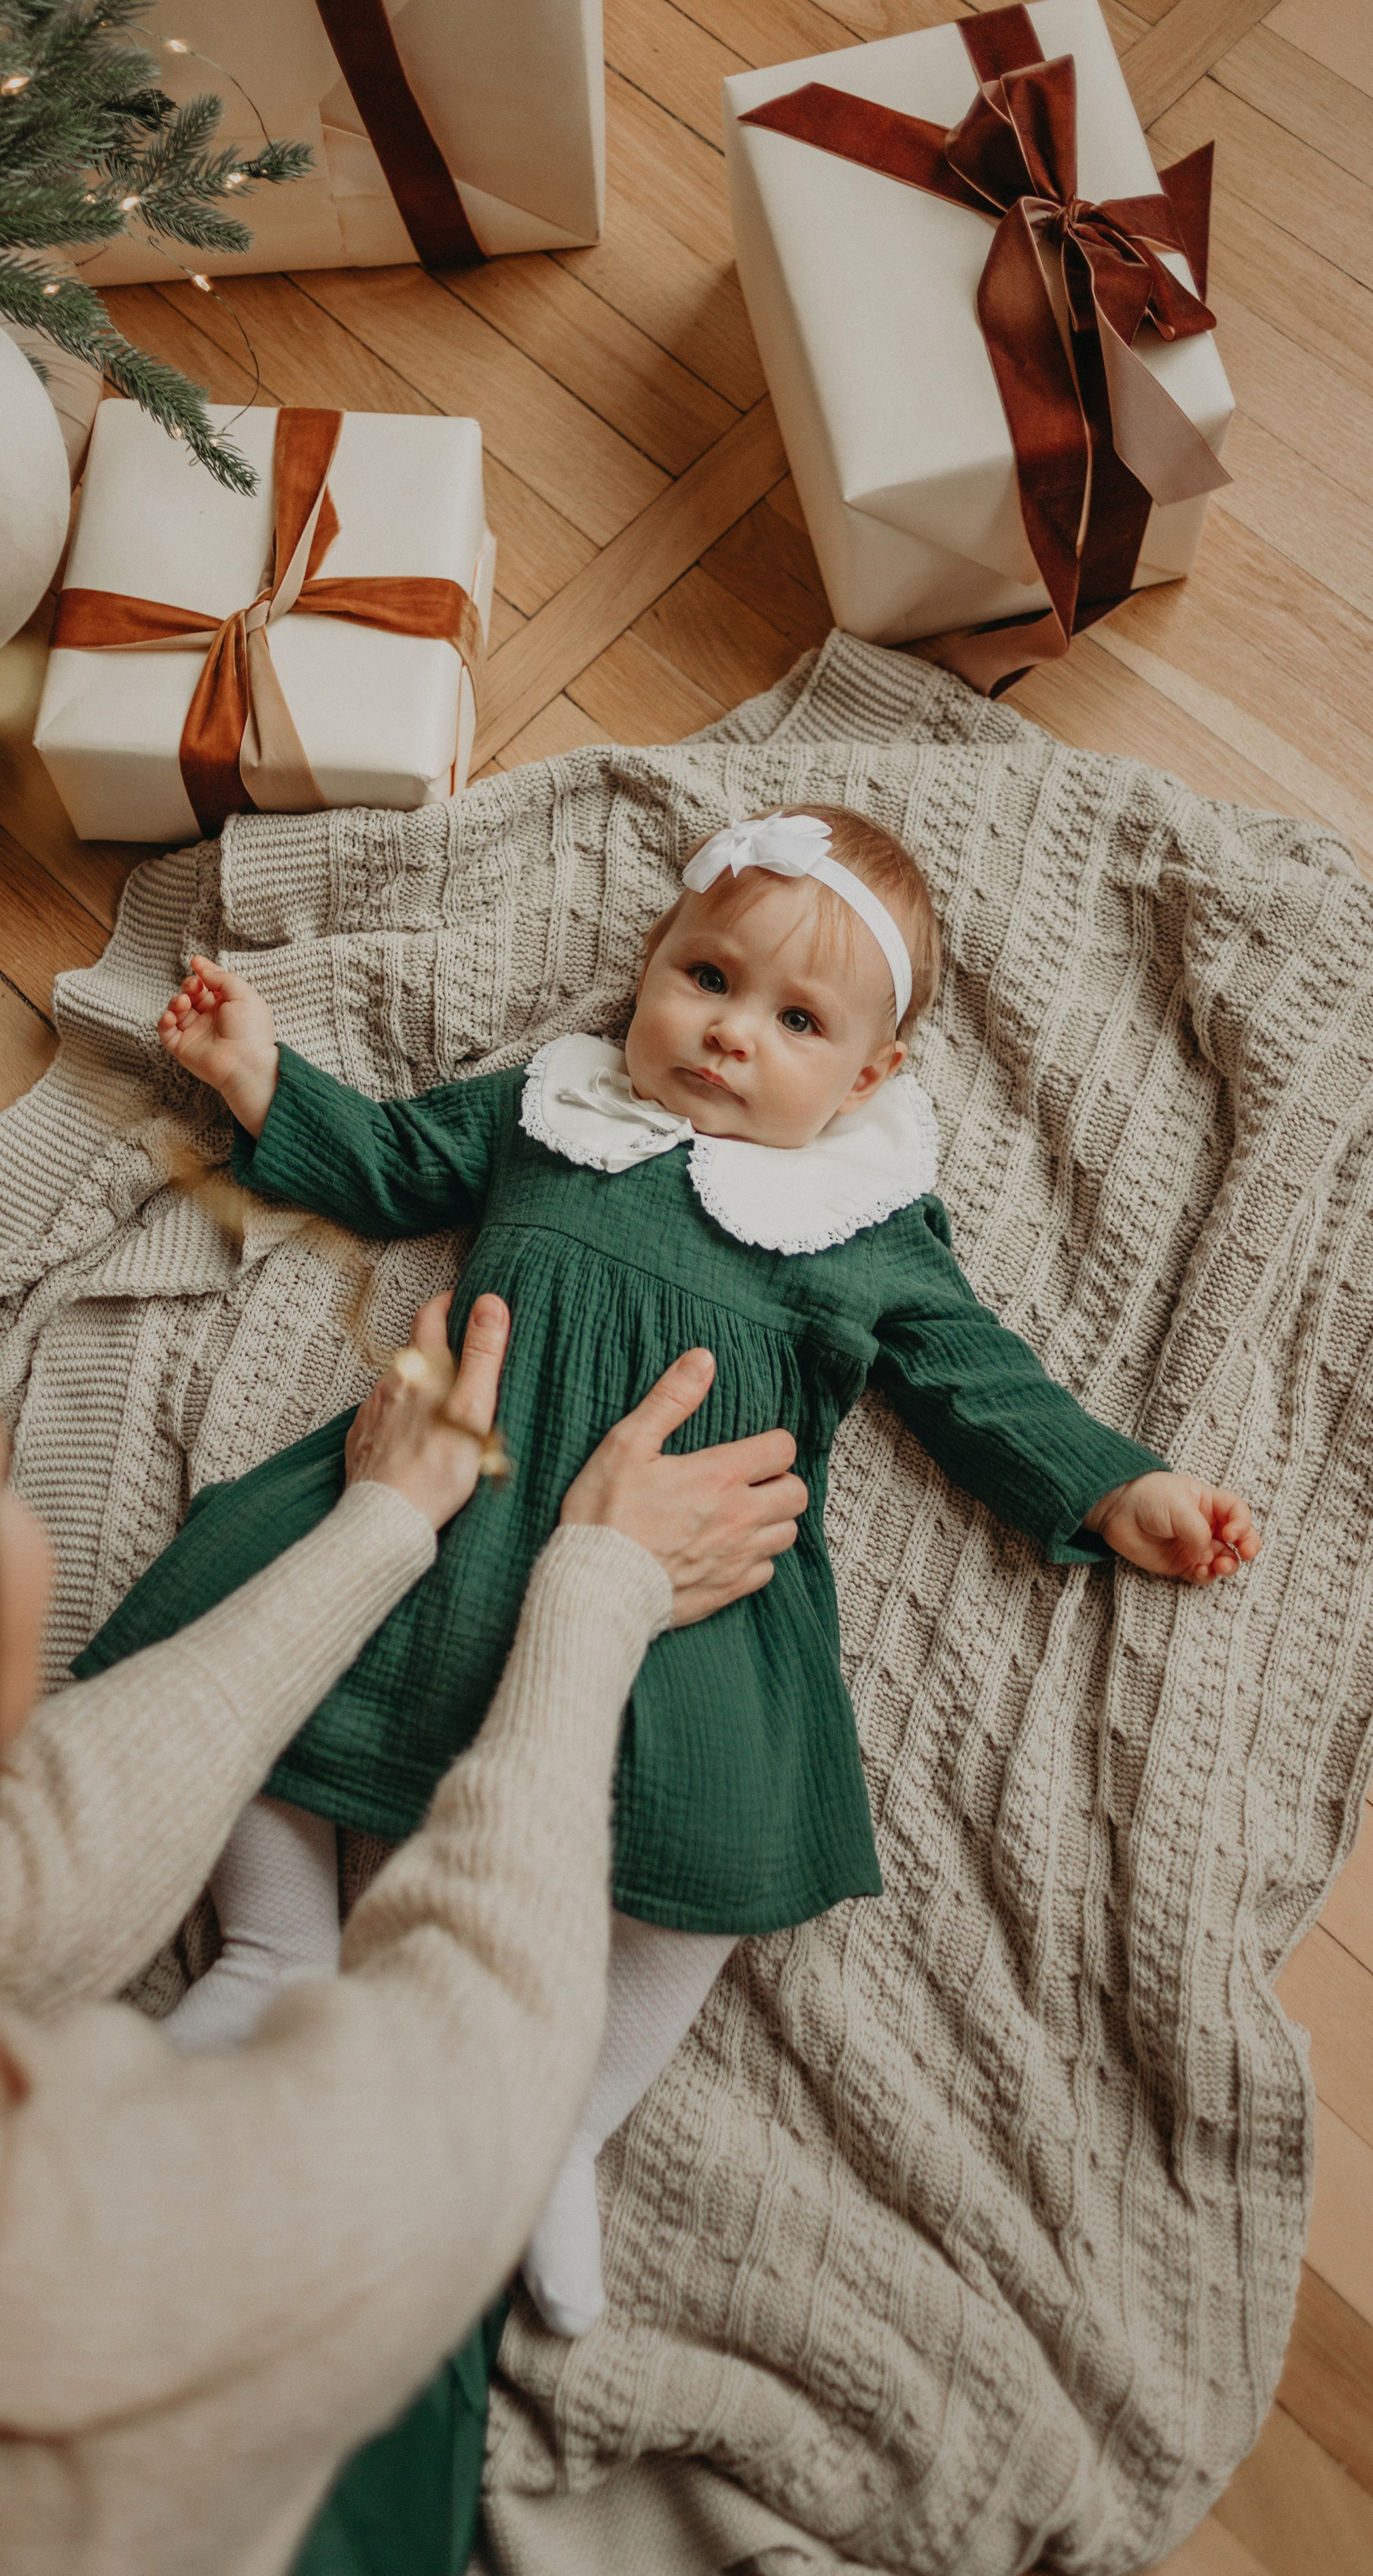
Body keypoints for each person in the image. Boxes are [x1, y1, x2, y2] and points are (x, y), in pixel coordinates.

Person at [113, 804, 1264, 2338]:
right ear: (649, 967)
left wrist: (1117, 1488)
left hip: (690, 1581)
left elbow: (976, 1380)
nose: (730, 1034)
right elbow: (389, 1164)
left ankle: (565, 2117)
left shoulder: (863, 1222)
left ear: (866, 1081)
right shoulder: (554, 1108)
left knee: (730, 1825)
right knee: (246, 1614)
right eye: (707, 979)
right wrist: (258, 1074)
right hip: (454, 1481)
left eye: (796, 1022)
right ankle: (274, 1949)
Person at [0, 1176, 804, 2573]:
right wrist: (599, 1585)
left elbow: (21, 1869)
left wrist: (385, 1524)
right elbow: (481, 2074)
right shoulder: (58, 2293)